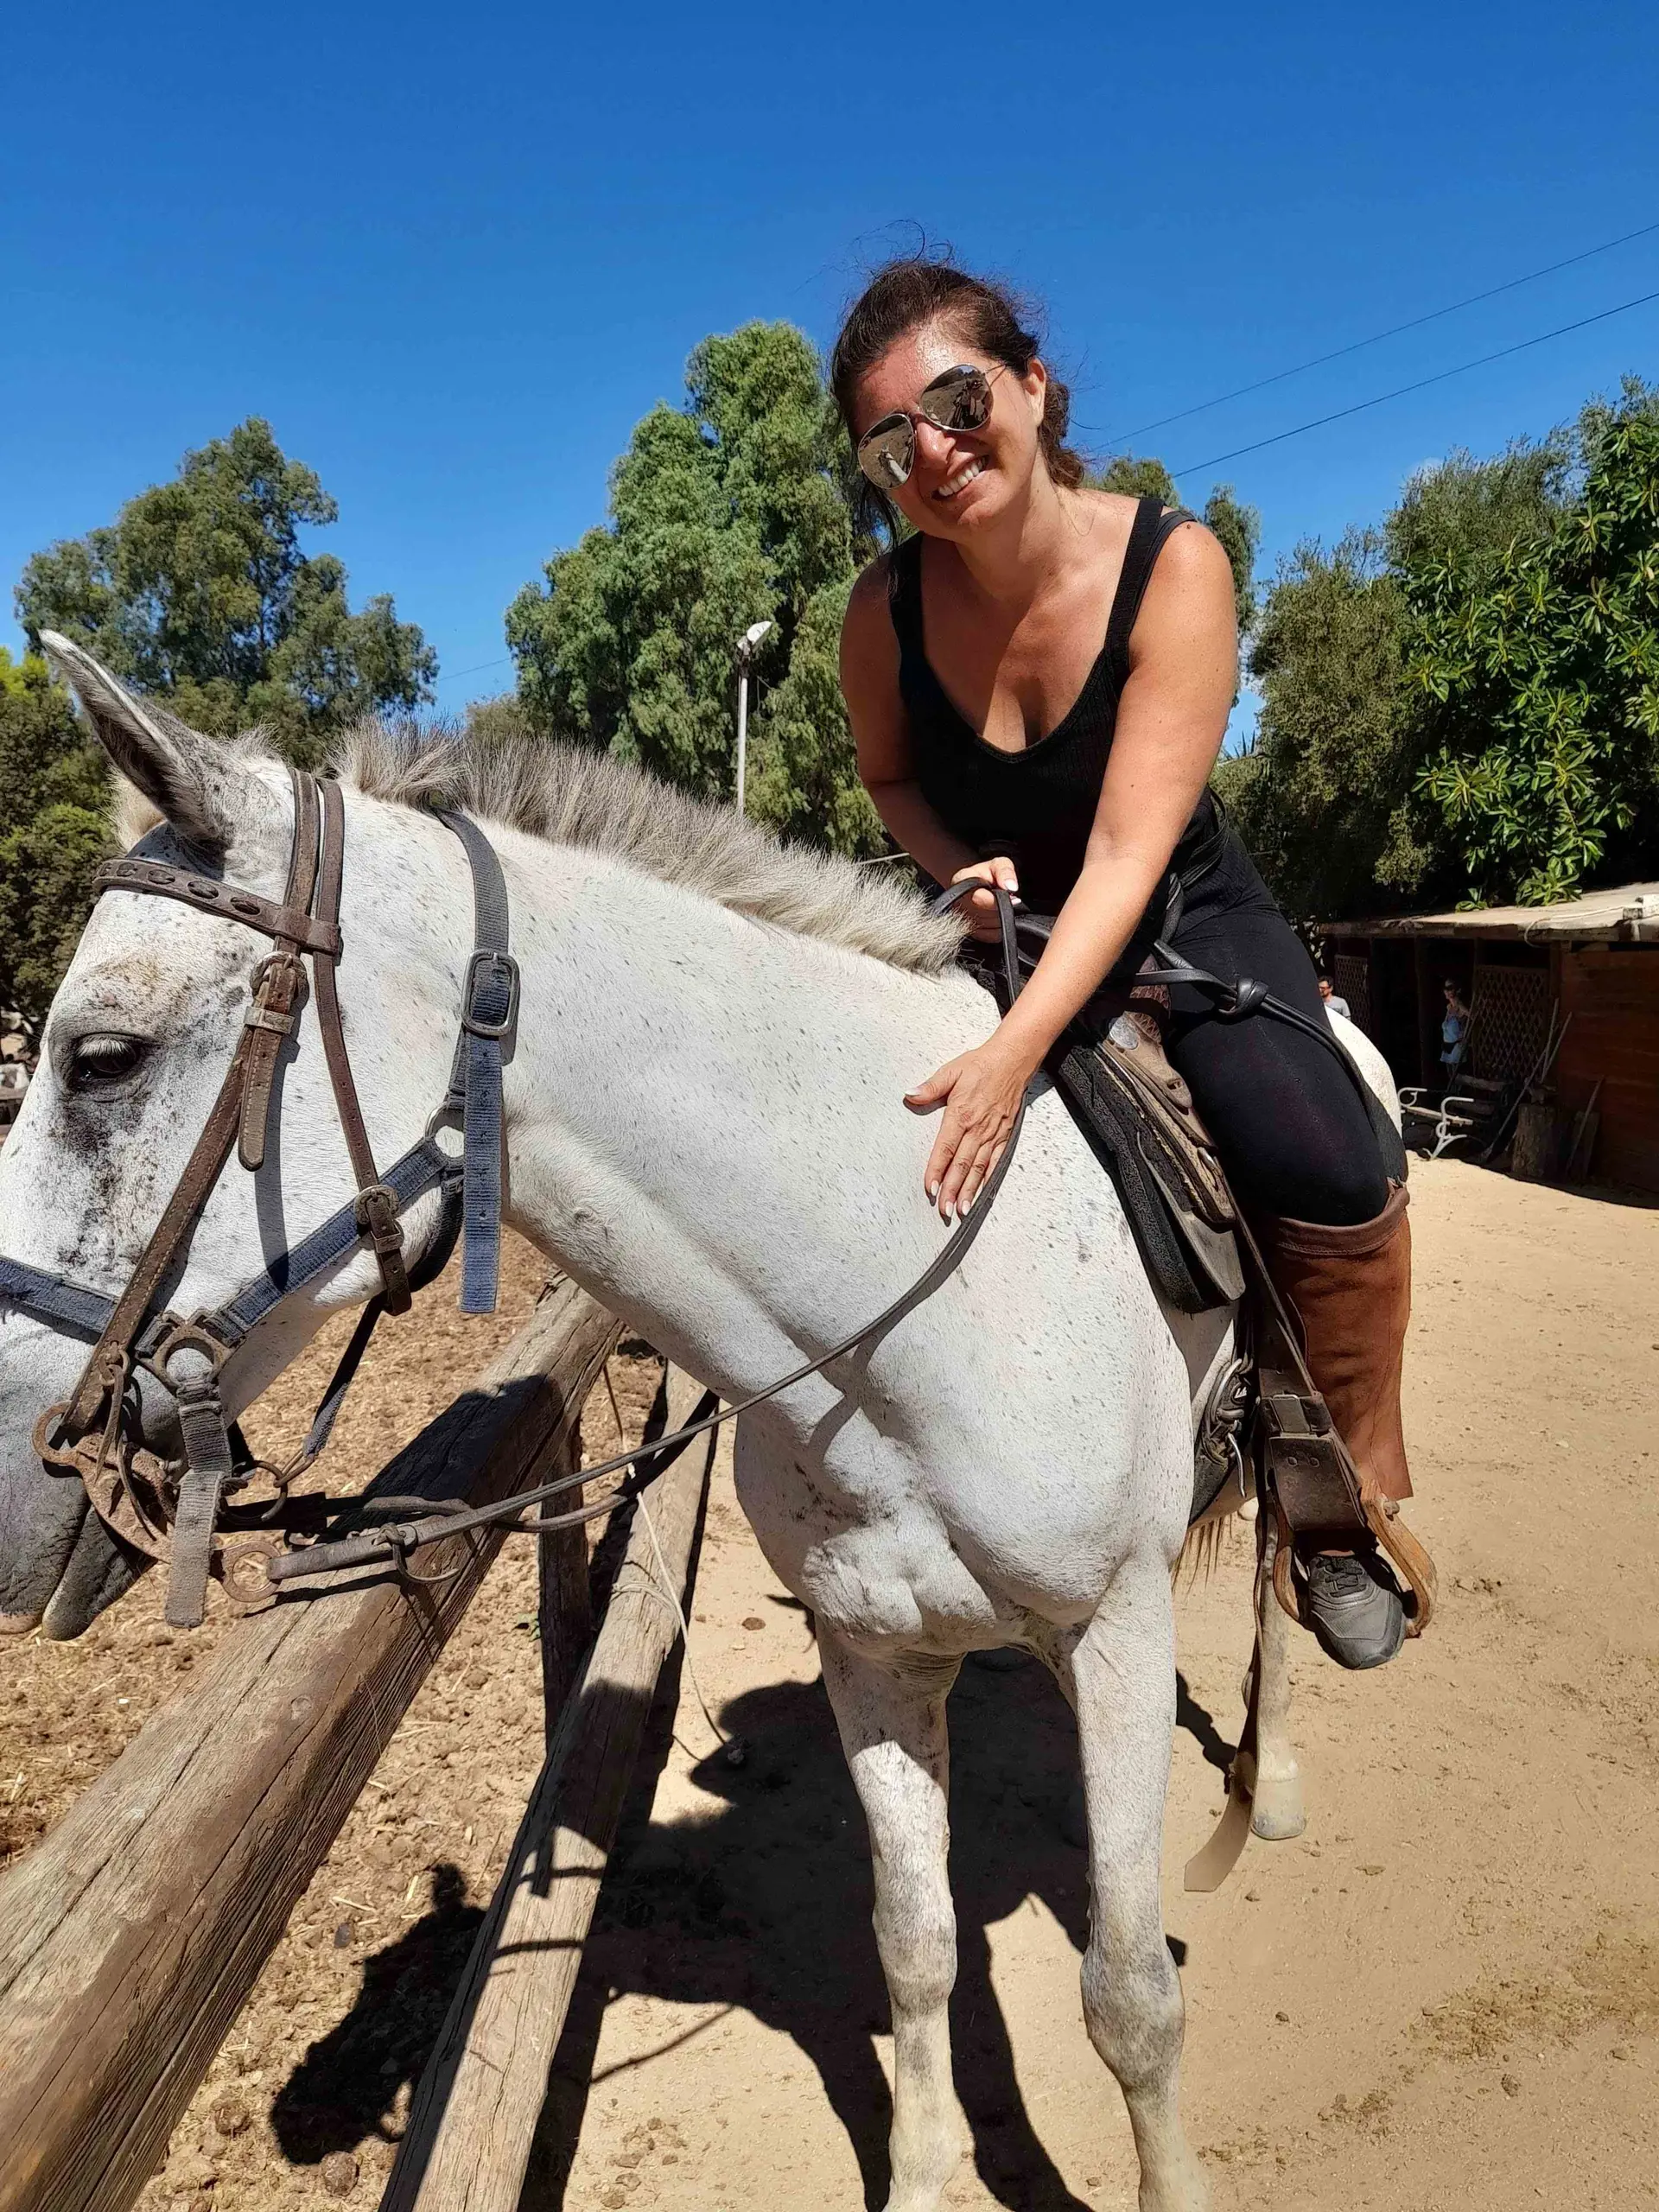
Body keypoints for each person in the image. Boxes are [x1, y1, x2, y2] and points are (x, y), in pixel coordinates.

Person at [834, 257, 1414, 1669]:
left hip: (1177, 916)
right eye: (889, 443)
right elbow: (891, 778)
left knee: (1325, 1155)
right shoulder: (880, 615)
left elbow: (1125, 855)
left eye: (956, 402)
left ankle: (1335, 1506)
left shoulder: (1176, 567)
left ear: (1033, 388)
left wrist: (1012, 1055)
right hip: (998, 920)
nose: (931, 453)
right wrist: (951, 866)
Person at [1440, 981, 1470, 1084]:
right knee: (1450, 1076)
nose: (1446, 992)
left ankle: (1459, 1092)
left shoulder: (1460, 1007)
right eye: (1445, 989)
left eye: (1449, 989)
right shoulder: (1449, 1007)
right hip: (1447, 1044)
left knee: (1456, 1076)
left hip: (1457, 1045)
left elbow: (1473, 1017)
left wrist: (1465, 1033)